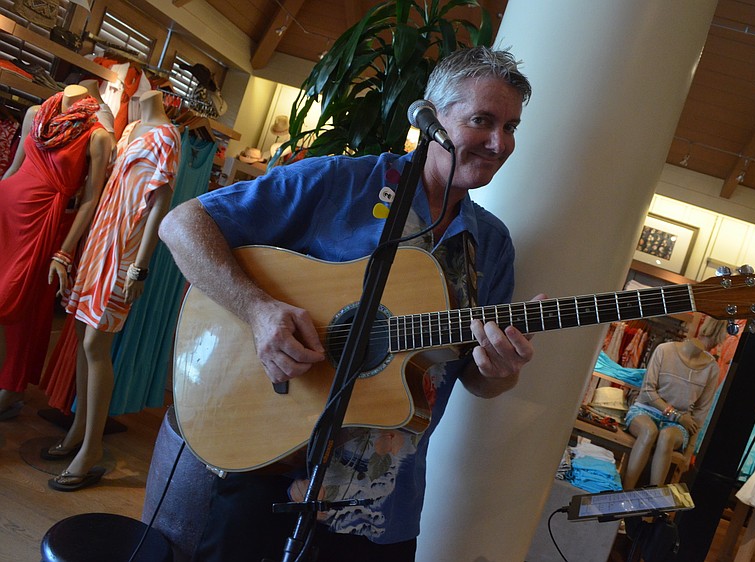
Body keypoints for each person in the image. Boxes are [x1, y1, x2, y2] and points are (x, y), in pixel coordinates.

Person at [159, 46, 539, 562]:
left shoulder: (491, 245)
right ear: (431, 117)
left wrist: (503, 368)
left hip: (381, 506)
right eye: (482, 121)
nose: (500, 143)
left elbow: (475, 376)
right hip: (273, 461)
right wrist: (258, 310)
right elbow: (182, 224)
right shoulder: (341, 183)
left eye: (511, 126)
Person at [45, 90, 181, 491]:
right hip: (100, 241)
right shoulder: (132, 129)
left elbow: (160, 202)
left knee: (95, 345)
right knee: (79, 336)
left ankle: (91, 448)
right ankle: (78, 432)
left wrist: (140, 265)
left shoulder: (168, 135)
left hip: (124, 250)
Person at [0, 85, 112, 420]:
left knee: (13, 304)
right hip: (6, 212)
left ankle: (12, 384)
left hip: (43, 223)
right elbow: (13, 171)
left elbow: (91, 199)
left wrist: (65, 251)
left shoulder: (97, 136)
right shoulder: (35, 114)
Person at [621, 316, 723, 489]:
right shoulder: (665, 350)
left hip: (679, 424)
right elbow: (647, 392)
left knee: (667, 436)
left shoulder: (712, 369)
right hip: (646, 411)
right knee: (649, 431)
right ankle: (624, 493)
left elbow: (700, 413)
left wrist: (689, 452)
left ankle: (653, 501)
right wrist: (676, 415)